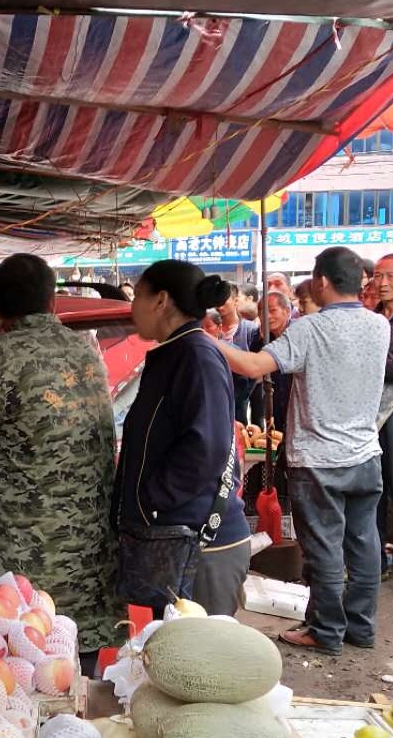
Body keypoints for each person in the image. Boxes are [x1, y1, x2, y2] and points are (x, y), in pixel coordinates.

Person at [0, 253, 120, 652]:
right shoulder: (85, 351)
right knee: (68, 660)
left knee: (14, 665)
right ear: (53, 302)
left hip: (19, 566)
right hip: (85, 564)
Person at [217, 246, 389, 653]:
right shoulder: (379, 326)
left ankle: (326, 632)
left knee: (325, 549)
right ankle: (361, 629)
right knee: (364, 544)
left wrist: (205, 340)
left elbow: (254, 366)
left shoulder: (311, 329)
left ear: (322, 282)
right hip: (366, 455)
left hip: (319, 461)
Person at [114, 262, 249, 618]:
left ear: (160, 300)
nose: (132, 307)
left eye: (137, 296)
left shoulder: (196, 356)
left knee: (201, 664)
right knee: (174, 658)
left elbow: (207, 449)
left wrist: (152, 498)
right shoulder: (175, 351)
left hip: (202, 542)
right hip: (179, 537)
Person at [374, 253, 393, 575]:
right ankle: (375, 561)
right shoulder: (374, 318)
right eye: (378, 276)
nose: (381, 283)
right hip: (372, 415)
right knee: (374, 489)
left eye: (390, 276)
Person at [249, 291, 293, 432]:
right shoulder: (260, 340)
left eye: (273, 311)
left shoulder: (297, 334)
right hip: (274, 408)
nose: (267, 316)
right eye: (262, 311)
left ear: (287, 311)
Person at [216, 286, 259, 423]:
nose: (219, 304)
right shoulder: (210, 327)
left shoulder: (250, 329)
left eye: (224, 299)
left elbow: (257, 364)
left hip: (243, 395)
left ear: (235, 301)